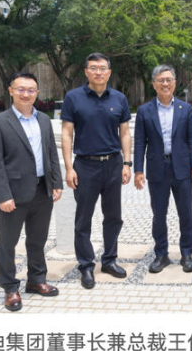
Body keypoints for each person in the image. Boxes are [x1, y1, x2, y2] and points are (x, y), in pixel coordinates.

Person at [0, 72, 63, 312]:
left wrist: (57, 182)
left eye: (31, 90)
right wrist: (3, 195)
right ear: (11, 91)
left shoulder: (44, 120)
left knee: (38, 240)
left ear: (37, 93)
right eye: (21, 89)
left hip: (42, 190)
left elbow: (51, 153)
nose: (26, 94)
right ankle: (10, 288)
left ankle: (36, 280)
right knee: (8, 243)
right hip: (13, 193)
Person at [61, 53, 132, 289]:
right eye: (93, 68)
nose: (98, 72)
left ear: (109, 72)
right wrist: (69, 168)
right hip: (85, 166)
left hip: (113, 164)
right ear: (86, 72)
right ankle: (86, 265)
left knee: (113, 217)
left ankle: (109, 260)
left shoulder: (119, 98)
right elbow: (67, 134)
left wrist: (127, 163)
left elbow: (125, 133)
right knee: (83, 219)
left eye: (103, 68)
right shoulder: (73, 98)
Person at [134, 65, 192, 273]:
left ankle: (187, 254)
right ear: (154, 84)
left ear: (174, 83)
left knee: (185, 213)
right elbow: (139, 142)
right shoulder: (144, 111)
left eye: (169, 79)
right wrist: (138, 170)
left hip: (182, 168)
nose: (165, 83)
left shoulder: (185, 109)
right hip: (157, 169)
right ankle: (161, 254)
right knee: (159, 214)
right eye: (161, 80)